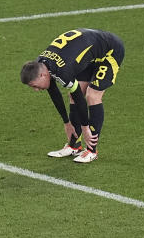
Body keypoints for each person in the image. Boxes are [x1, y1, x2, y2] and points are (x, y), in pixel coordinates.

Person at [20, 28, 125, 163]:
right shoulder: (42, 64)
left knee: (92, 96)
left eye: (34, 85)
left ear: (42, 75)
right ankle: (74, 145)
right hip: (89, 53)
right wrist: (66, 122)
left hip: (110, 51)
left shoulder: (62, 70)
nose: (35, 90)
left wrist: (85, 127)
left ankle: (92, 150)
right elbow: (53, 91)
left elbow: (78, 97)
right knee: (74, 94)